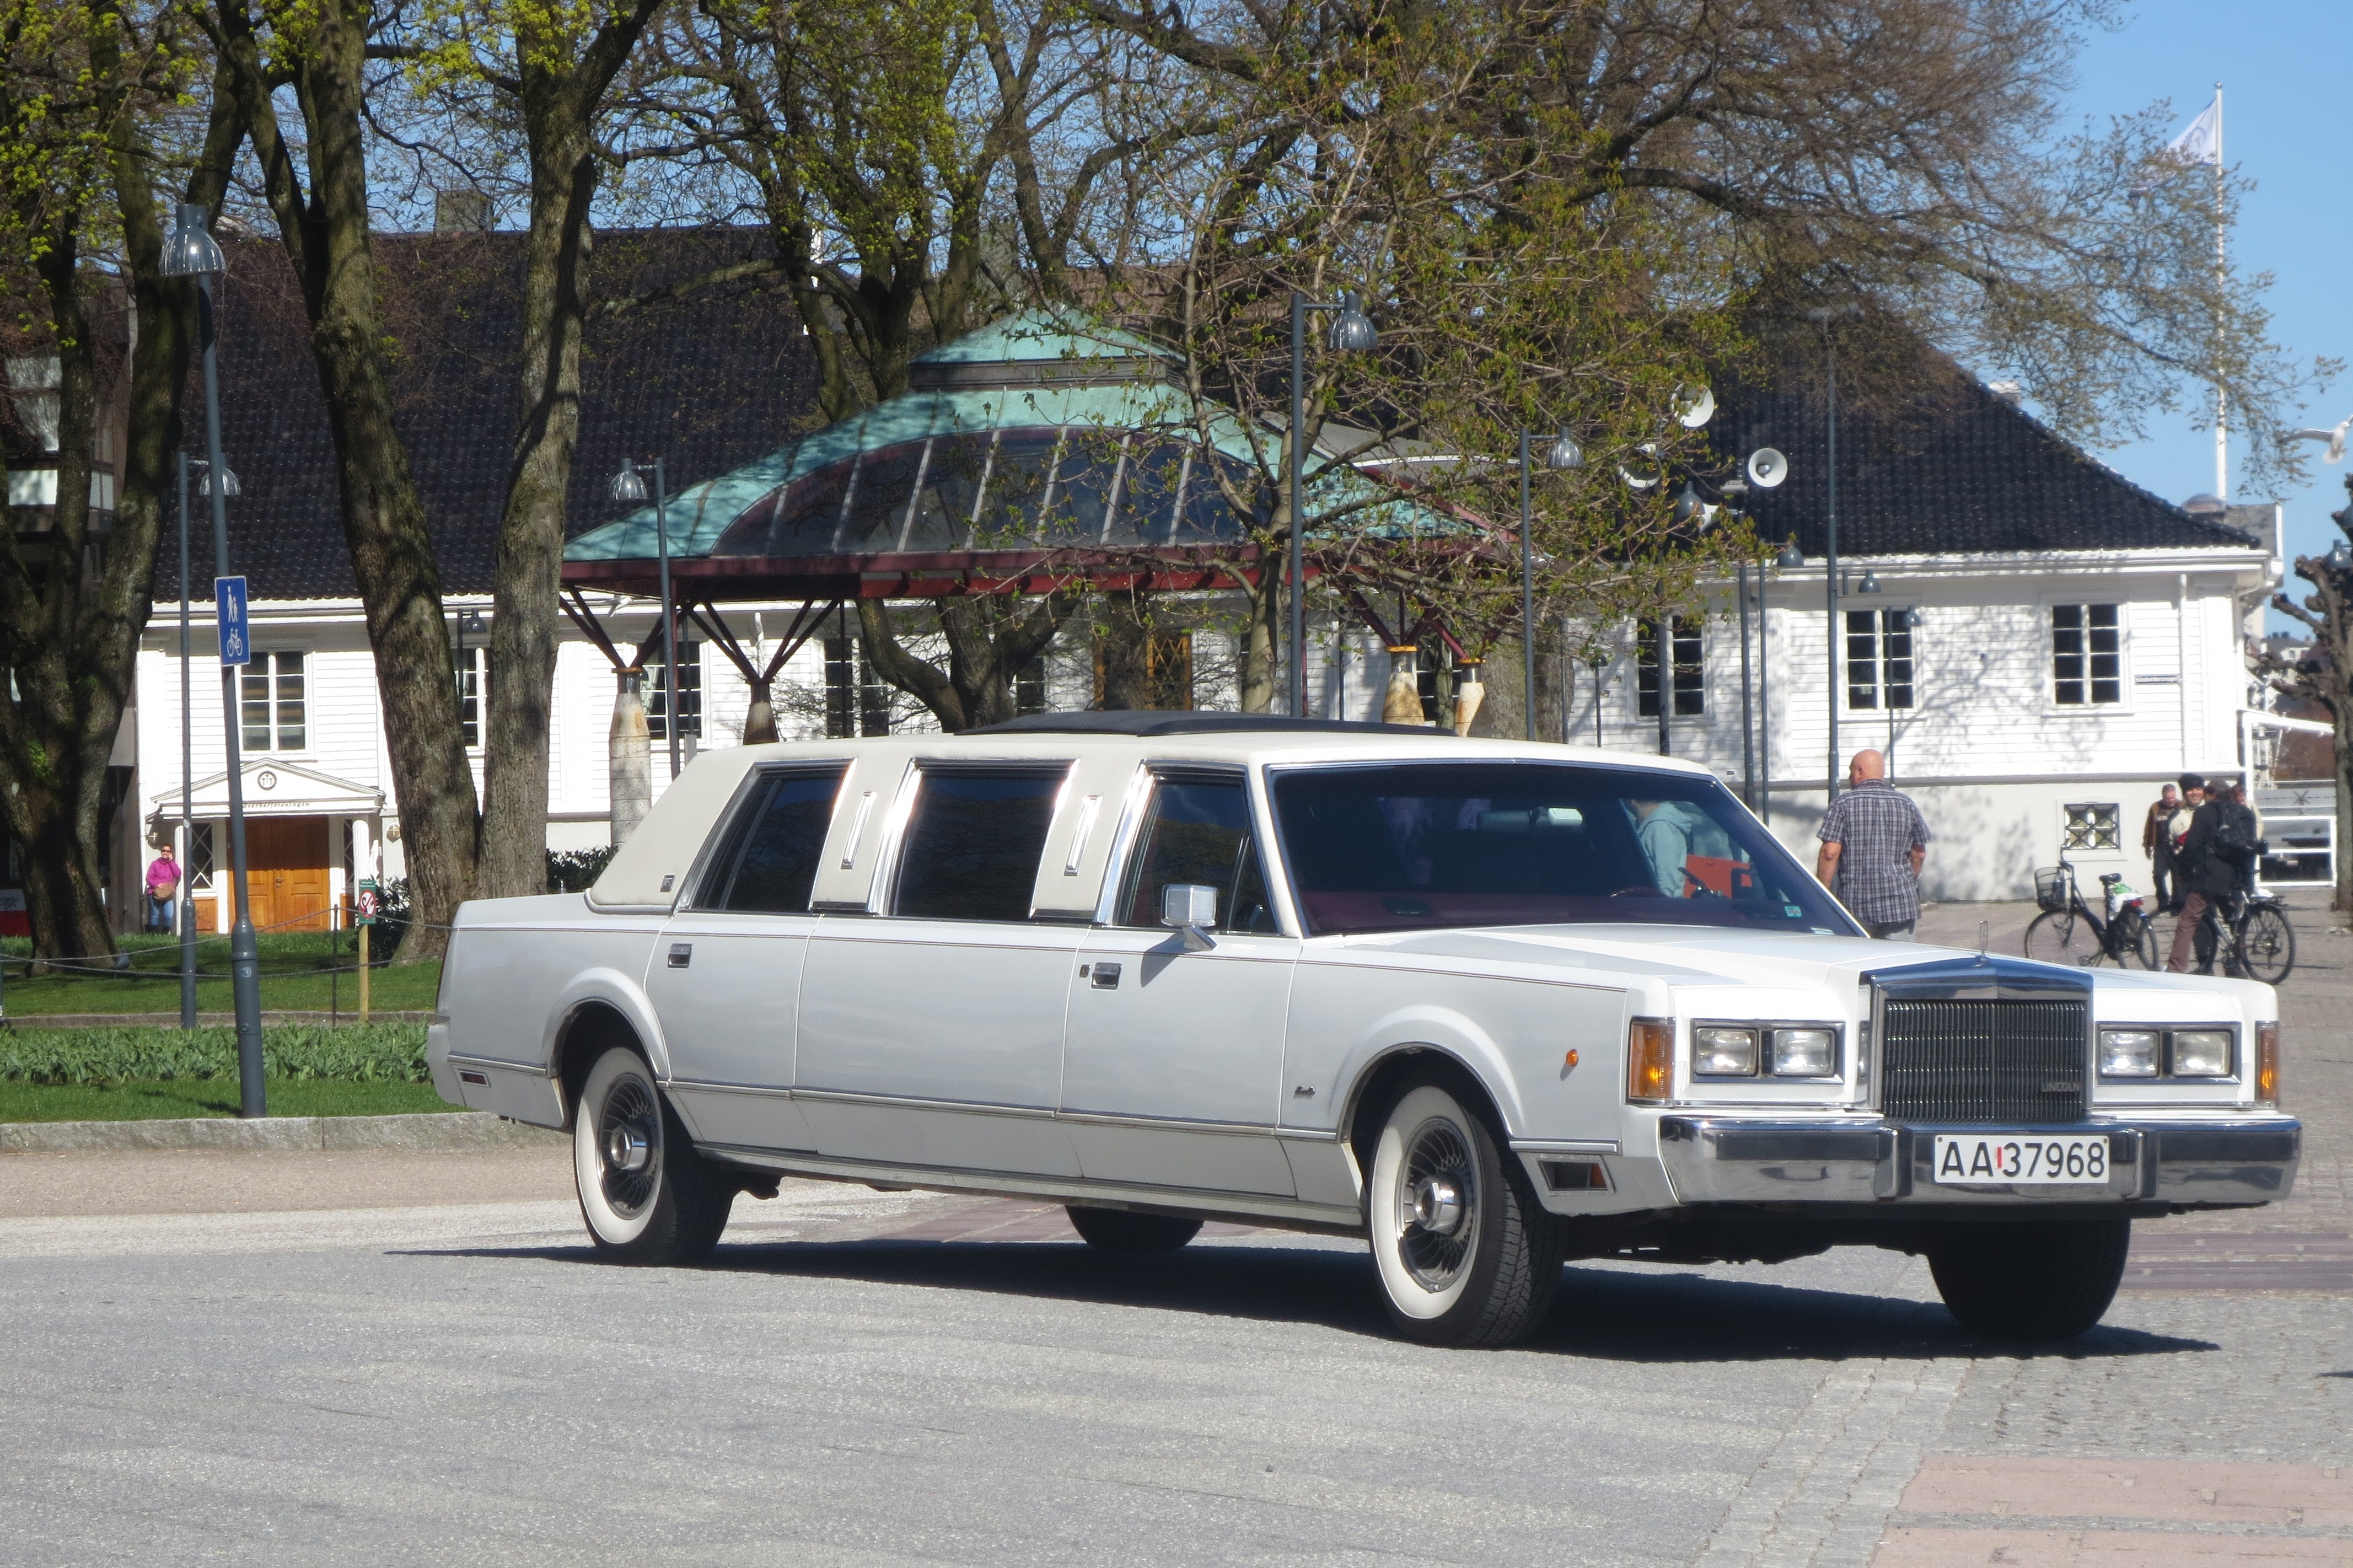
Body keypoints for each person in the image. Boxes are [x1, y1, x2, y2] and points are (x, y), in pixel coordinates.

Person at [1814, 749, 1931, 939]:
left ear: (1860, 772)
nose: (1850, 776)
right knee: (1897, 965)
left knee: (1859, 964)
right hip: (1900, 904)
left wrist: (1822, 895)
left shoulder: (1842, 804)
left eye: (1851, 771)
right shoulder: (1906, 803)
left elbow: (1830, 853)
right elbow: (1919, 853)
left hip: (1857, 904)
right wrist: (1910, 881)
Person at [2168, 779, 2259, 974]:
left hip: (2211, 876)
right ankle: (2235, 965)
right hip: (2238, 876)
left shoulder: (2205, 812)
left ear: (2211, 794)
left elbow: (2192, 846)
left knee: (2188, 920)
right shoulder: (2244, 812)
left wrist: (2184, 871)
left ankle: (2175, 969)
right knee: (2232, 917)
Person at [2142, 783, 2179, 912]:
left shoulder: (2181, 806)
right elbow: (2149, 827)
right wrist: (2147, 845)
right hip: (2160, 847)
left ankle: (2176, 904)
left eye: (2173, 797)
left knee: (2177, 876)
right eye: (2168, 798)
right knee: (2158, 875)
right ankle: (2163, 901)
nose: (2171, 800)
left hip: (2176, 847)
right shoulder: (2155, 807)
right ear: (2163, 797)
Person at [143, 845, 180, 934]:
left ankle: (164, 934)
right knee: (155, 914)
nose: (166, 853)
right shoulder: (155, 864)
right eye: (164, 851)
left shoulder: (171, 864)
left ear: (171, 853)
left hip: (167, 894)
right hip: (155, 892)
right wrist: (157, 884)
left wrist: (171, 862)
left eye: (168, 851)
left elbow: (178, 874)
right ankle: (154, 935)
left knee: (169, 915)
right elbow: (149, 878)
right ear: (161, 852)